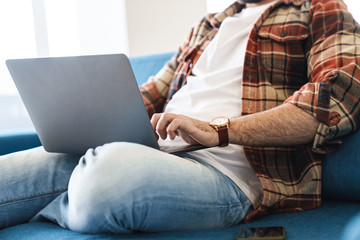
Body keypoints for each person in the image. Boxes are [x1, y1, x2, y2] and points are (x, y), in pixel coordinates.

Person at [1, 0, 360, 234]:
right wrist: (78, 112)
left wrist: (218, 130)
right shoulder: (208, 25)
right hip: (151, 152)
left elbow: (332, 102)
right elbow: (150, 93)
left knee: (106, 180)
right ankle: (77, 197)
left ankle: (68, 197)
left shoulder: (319, 9)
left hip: (230, 174)